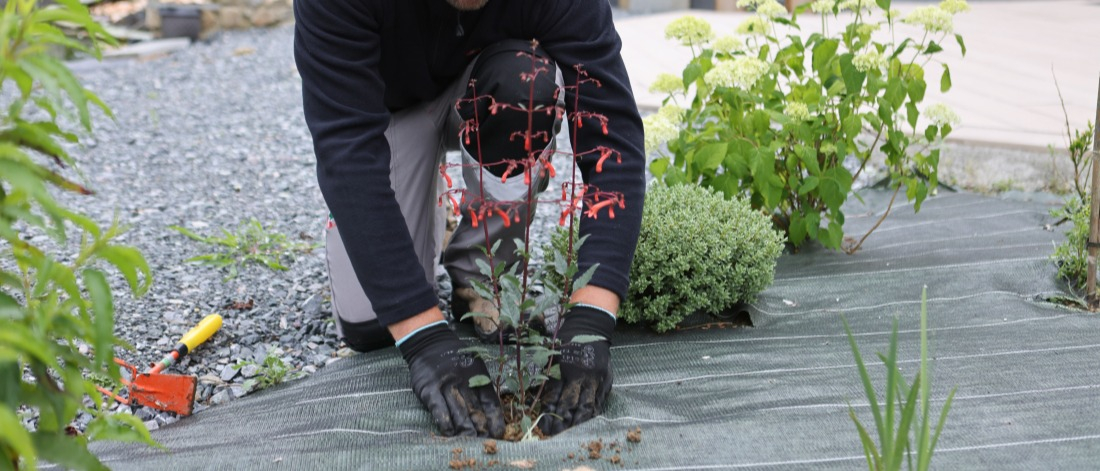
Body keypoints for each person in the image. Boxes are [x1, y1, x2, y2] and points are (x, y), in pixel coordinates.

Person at [293, 0, 645, 438]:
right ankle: (425, 203)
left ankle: (483, 277)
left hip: (490, 90)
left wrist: (592, 317)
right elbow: (347, 153)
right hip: (388, 113)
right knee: (371, 325)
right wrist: (423, 337)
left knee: (528, 80)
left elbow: (614, 137)